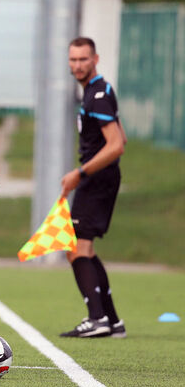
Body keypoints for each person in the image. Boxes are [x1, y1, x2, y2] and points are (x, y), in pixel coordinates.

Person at [59, 37, 126, 338]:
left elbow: (116, 145)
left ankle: (98, 318)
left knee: (75, 248)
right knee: (81, 248)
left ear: (95, 59)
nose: (77, 66)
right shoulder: (98, 91)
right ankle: (111, 321)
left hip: (96, 179)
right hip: (99, 178)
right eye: (73, 60)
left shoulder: (97, 94)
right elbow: (121, 136)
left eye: (83, 59)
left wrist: (80, 172)